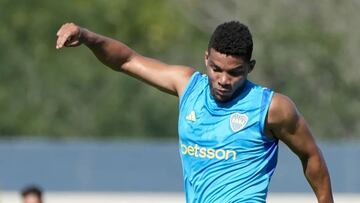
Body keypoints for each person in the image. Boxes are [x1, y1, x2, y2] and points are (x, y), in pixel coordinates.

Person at [56, 21, 333, 203]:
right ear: (206, 59)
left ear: (250, 67)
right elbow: (127, 60)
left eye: (235, 72)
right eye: (216, 69)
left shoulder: (272, 108)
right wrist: (86, 36)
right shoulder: (187, 86)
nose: (224, 80)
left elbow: (310, 156)